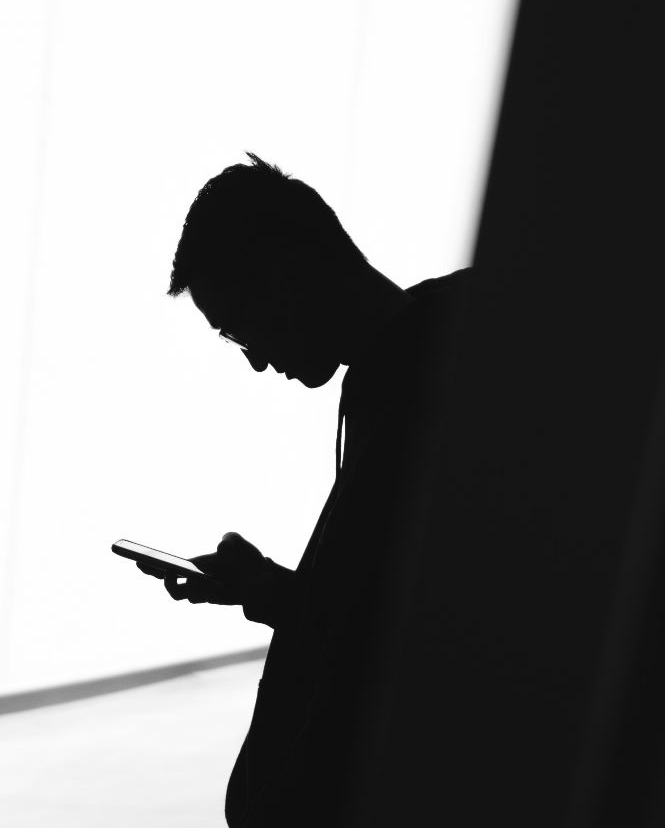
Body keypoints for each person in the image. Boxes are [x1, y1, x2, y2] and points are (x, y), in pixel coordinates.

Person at [140, 153, 468, 826]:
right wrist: (271, 590)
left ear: (287, 275)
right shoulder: (387, 381)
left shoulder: (435, 387)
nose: (258, 361)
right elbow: (375, 617)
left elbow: (429, 651)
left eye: (241, 328)